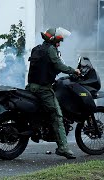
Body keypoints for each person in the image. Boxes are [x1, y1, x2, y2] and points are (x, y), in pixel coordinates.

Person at [26, 27, 80, 159]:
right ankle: (63, 148)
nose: (59, 44)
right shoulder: (50, 50)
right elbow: (59, 66)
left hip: (31, 86)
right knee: (57, 116)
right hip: (43, 89)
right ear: (53, 40)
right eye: (58, 41)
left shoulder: (37, 48)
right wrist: (74, 71)